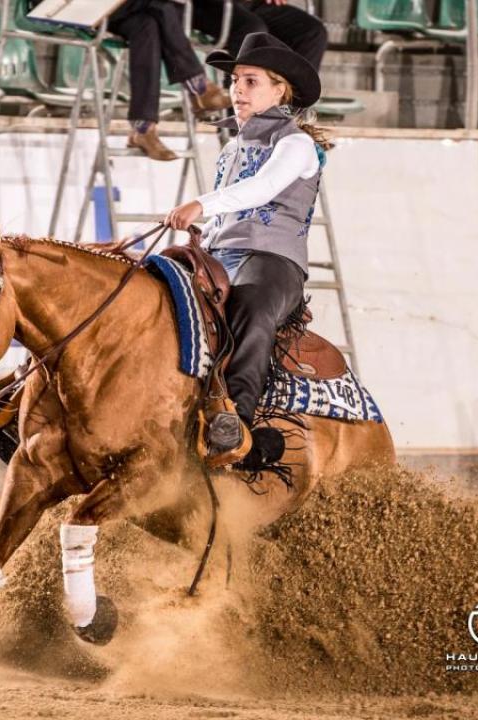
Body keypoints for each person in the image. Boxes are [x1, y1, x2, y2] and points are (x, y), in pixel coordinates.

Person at [163, 32, 332, 469]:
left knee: (253, 308)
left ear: (280, 90)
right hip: (221, 256)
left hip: (274, 263)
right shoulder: (232, 147)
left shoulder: (296, 145)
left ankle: (236, 422)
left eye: (250, 81)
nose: (238, 89)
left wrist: (201, 204)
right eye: (236, 80)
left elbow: (263, 189)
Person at [104, 0, 232, 161]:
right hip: (93, 9)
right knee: (162, 6)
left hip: (131, 12)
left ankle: (143, 128)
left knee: (147, 26)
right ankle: (198, 87)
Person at [191, 0, 327, 74]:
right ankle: (240, 120)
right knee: (251, 30)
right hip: (209, 5)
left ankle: (287, 113)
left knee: (312, 32)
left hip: (253, 4)